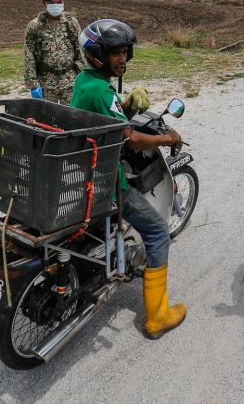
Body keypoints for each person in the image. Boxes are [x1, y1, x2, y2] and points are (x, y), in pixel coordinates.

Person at [71, 19, 185, 339]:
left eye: (125, 52)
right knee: (159, 231)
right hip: (105, 181)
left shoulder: (85, 81)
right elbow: (131, 139)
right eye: (115, 53)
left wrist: (126, 105)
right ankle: (157, 316)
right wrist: (167, 138)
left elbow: (107, 116)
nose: (122, 59)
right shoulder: (99, 88)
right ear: (97, 55)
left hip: (82, 170)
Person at [23, 0, 84, 104]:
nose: (56, 5)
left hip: (70, 81)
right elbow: (29, 55)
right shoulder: (35, 26)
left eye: (59, 2)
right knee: (47, 118)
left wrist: (84, 76)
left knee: (72, 116)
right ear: (45, 4)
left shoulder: (71, 23)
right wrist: (33, 84)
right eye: (52, 3)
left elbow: (81, 51)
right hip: (46, 82)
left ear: (63, 2)